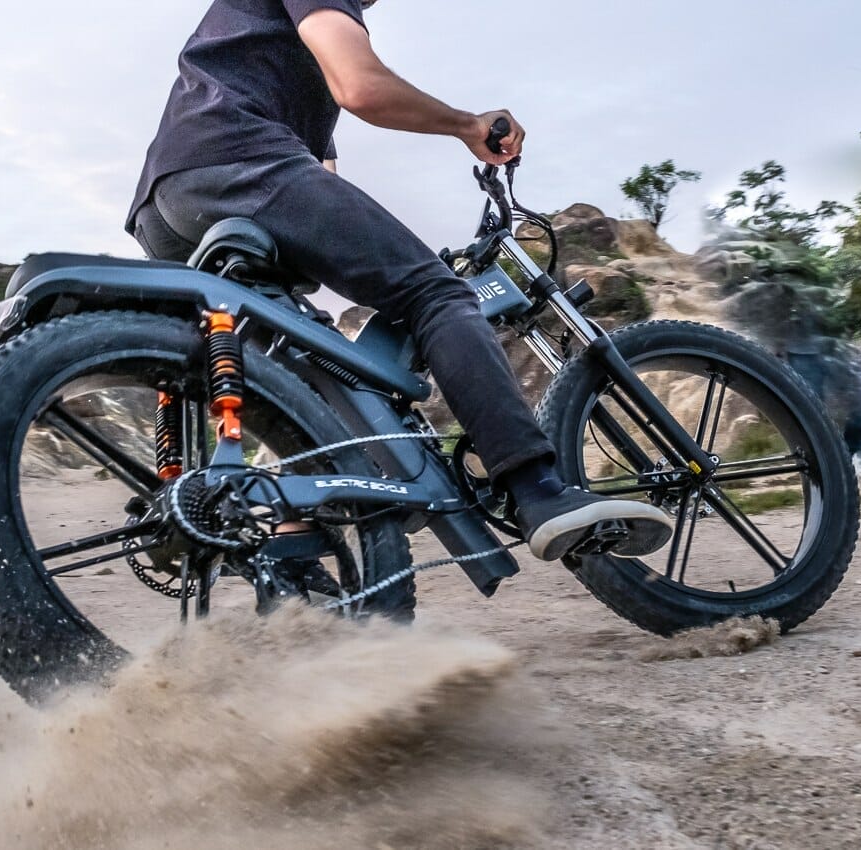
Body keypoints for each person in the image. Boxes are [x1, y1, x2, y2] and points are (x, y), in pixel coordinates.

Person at [127, 0, 673, 561]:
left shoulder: (279, 61)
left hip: (165, 205)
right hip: (235, 161)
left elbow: (324, 190)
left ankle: (296, 552)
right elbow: (362, 87)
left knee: (308, 362)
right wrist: (468, 125)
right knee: (435, 293)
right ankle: (536, 492)